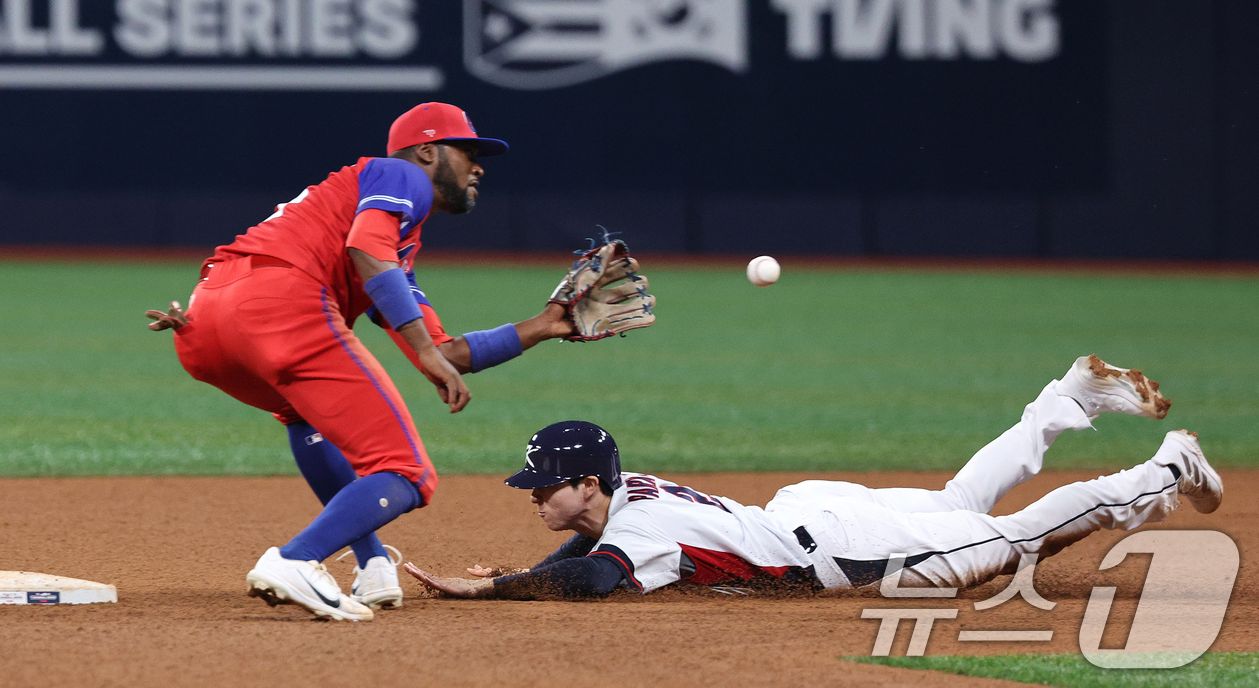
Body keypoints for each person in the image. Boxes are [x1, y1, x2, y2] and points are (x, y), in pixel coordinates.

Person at [147, 102, 578, 621]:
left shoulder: (391, 247)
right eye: (466, 152)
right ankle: (297, 559)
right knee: (408, 472)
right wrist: (422, 350)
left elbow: (447, 354)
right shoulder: (400, 176)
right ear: (426, 151)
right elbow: (368, 249)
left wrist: (546, 323)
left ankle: (373, 565)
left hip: (208, 320)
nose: (478, 166)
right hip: (278, 301)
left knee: (301, 414)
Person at [404, 355, 1224, 599]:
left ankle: (1162, 468)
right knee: (953, 505)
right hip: (815, 513)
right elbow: (593, 551)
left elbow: (590, 579)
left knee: (1010, 538)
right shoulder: (632, 497)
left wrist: (492, 588)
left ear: (588, 482)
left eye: (544, 484)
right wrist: (518, 571)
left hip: (838, 541)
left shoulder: (635, 528)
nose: (535, 494)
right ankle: (1062, 399)